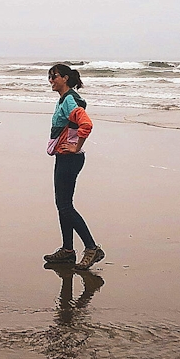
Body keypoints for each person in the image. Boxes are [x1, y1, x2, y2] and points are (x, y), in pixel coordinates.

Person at [44, 63, 105, 269]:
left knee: (65, 206)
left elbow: (86, 124)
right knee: (63, 205)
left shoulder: (70, 100)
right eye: (50, 77)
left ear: (66, 79)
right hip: (65, 157)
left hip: (70, 158)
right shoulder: (65, 99)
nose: (51, 80)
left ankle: (91, 247)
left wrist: (76, 147)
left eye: (55, 77)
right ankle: (68, 250)